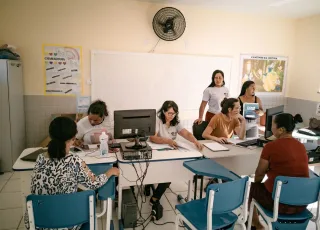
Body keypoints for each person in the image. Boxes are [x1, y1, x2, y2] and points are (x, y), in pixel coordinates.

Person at [24, 117, 119, 230]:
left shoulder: (40, 159)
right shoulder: (74, 161)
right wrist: (110, 172)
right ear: (73, 139)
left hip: (39, 223)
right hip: (68, 224)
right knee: (87, 198)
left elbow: (53, 183)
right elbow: (94, 183)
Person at [249, 113, 309, 229]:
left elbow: (260, 173)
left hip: (280, 205)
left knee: (251, 188)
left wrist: (257, 184)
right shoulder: (301, 146)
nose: (271, 128)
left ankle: (256, 225)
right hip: (301, 203)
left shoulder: (270, 147)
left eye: (272, 125)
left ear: (281, 130)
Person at [147, 101, 203, 206]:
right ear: (163, 112)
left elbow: (186, 133)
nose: (172, 116)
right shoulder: (157, 120)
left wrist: (196, 141)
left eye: (174, 113)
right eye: (169, 113)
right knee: (168, 173)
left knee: (172, 171)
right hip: (157, 151)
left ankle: (161, 186)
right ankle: (155, 198)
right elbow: (153, 138)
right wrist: (167, 141)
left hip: (170, 152)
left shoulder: (175, 122)